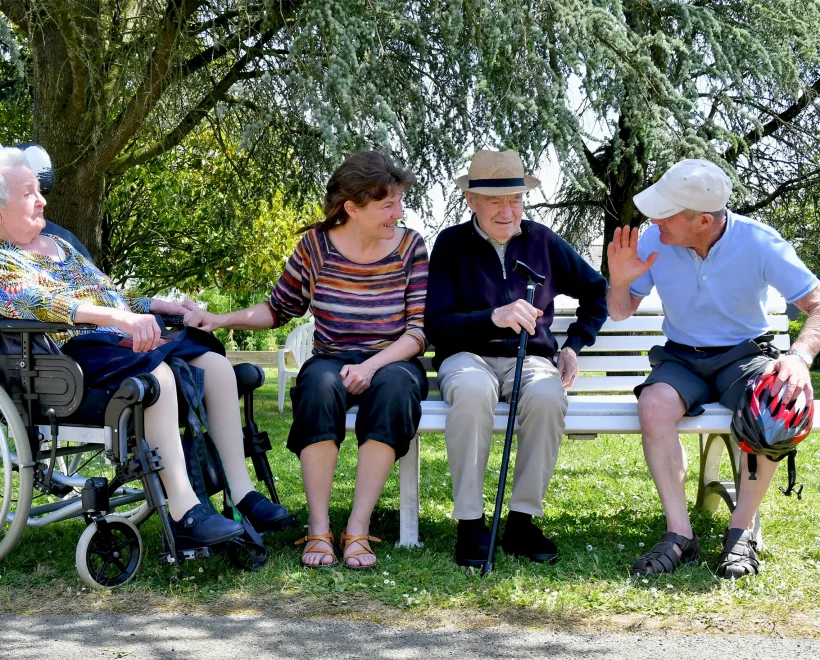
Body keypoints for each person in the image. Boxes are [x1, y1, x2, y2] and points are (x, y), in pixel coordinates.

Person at [0, 147, 290, 549]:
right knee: (158, 376)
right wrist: (119, 320)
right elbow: (49, 304)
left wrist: (159, 306)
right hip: (74, 358)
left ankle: (241, 495)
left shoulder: (60, 246)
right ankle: (185, 510)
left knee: (217, 366)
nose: (43, 199)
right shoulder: (4, 262)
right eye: (29, 193)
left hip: (116, 339)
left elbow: (112, 296)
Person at [184, 150, 429, 570]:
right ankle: (319, 528)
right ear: (352, 208)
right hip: (331, 358)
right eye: (388, 204)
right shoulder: (315, 246)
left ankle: (357, 529)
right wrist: (220, 318)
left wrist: (371, 367)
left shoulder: (411, 247)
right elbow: (280, 308)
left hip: (393, 360)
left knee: (395, 389)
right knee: (317, 385)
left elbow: (418, 332)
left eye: (399, 201)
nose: (398, 212)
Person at [607, 158, 820, 578]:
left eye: (665, 213)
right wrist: (618, 281)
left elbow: (817, 303)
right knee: (653, 405)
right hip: (681, 356)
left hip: (744, 356)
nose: (654, 220)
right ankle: (679, 535)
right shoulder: (655, 240)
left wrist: (799, 356)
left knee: (777, 409)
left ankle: (741, 532)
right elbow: (618, 312)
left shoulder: (760, 242)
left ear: (703, 220)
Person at [425, 149, 608, 567]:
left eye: (516, 200)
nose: (508, 212)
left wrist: (573, 346)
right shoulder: (451, 244)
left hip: (532, 359)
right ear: (471, 201)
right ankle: (470, 523)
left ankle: (521, 522)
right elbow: (437, 324)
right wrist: (494, 317)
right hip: (467, 357)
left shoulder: (542, 240)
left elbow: (596, 292)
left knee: (547, 396)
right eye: (495, 201)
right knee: (471, 392)